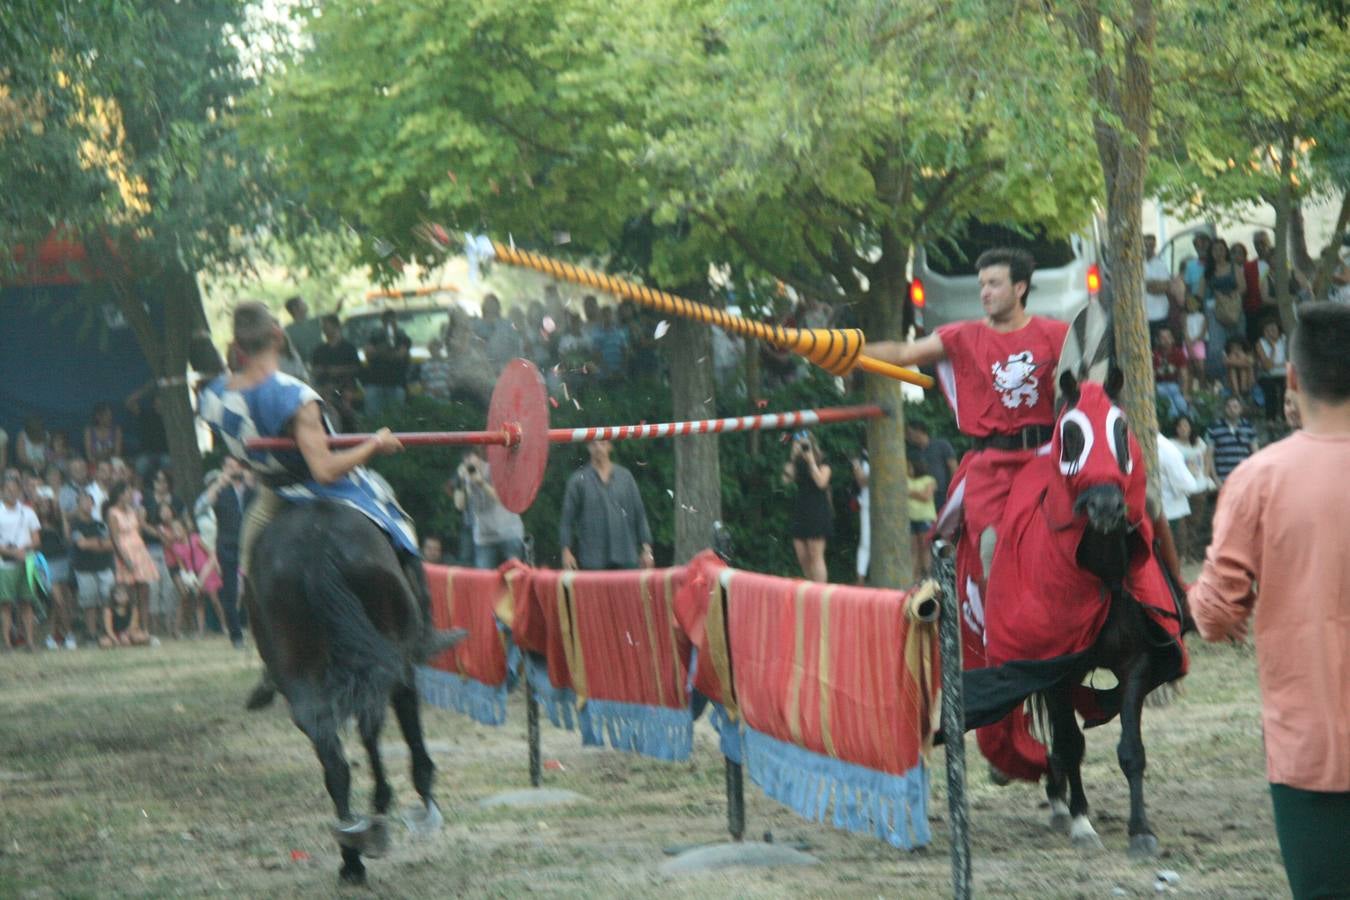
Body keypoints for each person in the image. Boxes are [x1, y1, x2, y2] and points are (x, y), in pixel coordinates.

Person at [869, 246, 1070, 784]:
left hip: (1047, 460)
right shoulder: (962, 337)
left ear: (1021, 288)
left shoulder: (1056, 336)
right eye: (981, 284)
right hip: (989, 468)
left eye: (995, 283)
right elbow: (905, 352)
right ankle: (1003, 671)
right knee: (985, 555)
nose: (985, 292)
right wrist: (850, 350)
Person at [1188, 303, 1350, 899]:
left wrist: (1188, 595)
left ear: (1292, 379)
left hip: (1308, 748)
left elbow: (1215, 613)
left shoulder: (1257, 479)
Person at [194, 302, 456, 665]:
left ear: (237, 344)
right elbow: (324, 471)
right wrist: (373, 444)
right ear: (278, 336)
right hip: (324, 488)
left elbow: (240, 447)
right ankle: (424, 630)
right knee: (401, 527)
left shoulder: (213, 395)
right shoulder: (294, 397)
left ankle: (270, 656)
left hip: (271, 491)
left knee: (252, 563)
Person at [559, 440, 654, 571]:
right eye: (594, 444)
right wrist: (566, 551)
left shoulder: (625, 477)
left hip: (626, 556)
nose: (598, 447)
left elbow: (640, 514)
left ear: (610, 446)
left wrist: (646, 549)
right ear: (588, 447)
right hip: (593, 559)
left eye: (602, 443)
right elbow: (567, 520)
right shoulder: (578, 480)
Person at [203, 455, 253, 648]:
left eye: (236, 465)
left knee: (253, 590)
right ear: (224, 468)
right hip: (228, 546)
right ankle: (236, 635)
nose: (234, 469)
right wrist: (219, 482)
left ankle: (257, 631)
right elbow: (204, 505)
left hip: (248, 545)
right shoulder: (220, 491)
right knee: (230, 593)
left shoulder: (250, 490)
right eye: (230, 466)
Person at [105, 482, 159, 644]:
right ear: (120, 495)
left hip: (139, 551)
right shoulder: (112, 513)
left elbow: (143, 527)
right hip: (125, 553)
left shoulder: (133, 511)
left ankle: (145, 628)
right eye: (128, 492)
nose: (131, 495)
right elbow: (115, 538)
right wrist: (125, 559)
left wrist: (160, 534)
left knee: (144, 591)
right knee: (129, 594)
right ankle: (129, 629)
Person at [455, 451, 526, 569]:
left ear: (479, 457)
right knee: (485, 579)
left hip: (509, 533)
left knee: (515, 576)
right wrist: (461, 482)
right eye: (465, 458)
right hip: (484, 538)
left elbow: (503, 499)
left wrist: (481, 483)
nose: (468, 461)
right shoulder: (466, 476)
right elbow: (459, 505)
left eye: (470, 456)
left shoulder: (494, 470)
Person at [782, 430, 833, 582]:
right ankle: (812, 590)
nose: (801, 447)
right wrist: (792, 458)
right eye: (798, 443)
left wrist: (811, 461)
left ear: (812, 444)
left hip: (817, 510)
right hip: (801, 509)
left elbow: (821, 482)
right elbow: (785, 480)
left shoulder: (823, 461)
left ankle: (820, 593)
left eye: (804, 444)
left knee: (816, 556)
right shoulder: (796, 462)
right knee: (803, 556)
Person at [164, 517, 225, 640]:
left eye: (178, 529)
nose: (176, 532)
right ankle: (201, 630)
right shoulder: (175, 547)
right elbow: (181, 565)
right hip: (194, 575)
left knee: (214, 599)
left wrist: (217, 567)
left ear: (185, 529)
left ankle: (225, 626)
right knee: (199, 602)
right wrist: (187, 579)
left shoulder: (195, 538)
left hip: (207, 572)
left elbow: (209, 552)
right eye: (174, 530)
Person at [0, 475, 41, 650]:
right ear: (2, 491)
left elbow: (37, 538)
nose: (12, 492)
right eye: (8, 489)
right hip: (4, 563)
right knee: (6, 604)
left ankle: (30, 641)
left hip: (26, 562)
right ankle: (7, 643)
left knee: (27, 602)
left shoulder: (28, 511)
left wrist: (24, 549)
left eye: (15, 489)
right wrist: (12, 552)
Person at [70, 490, 115, 643]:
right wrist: (99, 542)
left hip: (103, 567)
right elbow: (81, 544)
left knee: (108, 600)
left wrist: (92, 543)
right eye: (83, 501)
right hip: (84, 569)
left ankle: (108, 631)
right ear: (78, 505)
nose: (87, 504)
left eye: (89, 501)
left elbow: (110, 545)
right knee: (90, 603)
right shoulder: (75, 525)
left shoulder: (100, 524)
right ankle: (91, 633)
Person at [310, 314, 362, 432]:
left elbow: (356, 368)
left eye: (327, 326)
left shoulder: (349, 347)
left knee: (348, 412)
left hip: (346, 387)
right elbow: (314, 371)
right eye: (323, 327)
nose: (324, 329)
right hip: (325, 389)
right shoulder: (319, 350)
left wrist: (339, 370)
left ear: (336, 326)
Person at [362, 309, 412, 416]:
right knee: (373, 416)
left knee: (396, 416)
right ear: (383, 322)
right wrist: (386, 350)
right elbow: (368, 353)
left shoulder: (403, 338)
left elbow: (400, 355)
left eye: (392, 321)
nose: (390, 324)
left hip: (396, 383)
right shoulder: (374, 337)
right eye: (387, 321)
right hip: (375, 383)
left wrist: (380, 352)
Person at [905, 421, 958, 510]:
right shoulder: (911, 452)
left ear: (919, 431)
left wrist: (953, 489)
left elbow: (953, 467)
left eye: (909, 433)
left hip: (942, 494)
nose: (908, 437)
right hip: (921, 496)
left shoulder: (941, 445)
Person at [1206, 395, 1259, 484]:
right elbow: (1209, 455)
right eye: (1229, 407)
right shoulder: (1214, 428)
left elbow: (1255, 453)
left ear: (1240, 409)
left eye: (1235, 407)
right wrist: (1215, 479)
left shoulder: (1249, 427)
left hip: (1244, 478)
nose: (1232, 410)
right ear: (1225, 408)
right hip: (1223, 479)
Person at [906, 458, 937, 580]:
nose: (907, 470)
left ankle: (928, 575)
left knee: (924, 547)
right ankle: (915, 576)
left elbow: (926, 496)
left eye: (910, 467)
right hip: (910, 518)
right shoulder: (905, 479)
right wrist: (918, 493)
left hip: (925, 517)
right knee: (913, 548)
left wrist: (909, 492)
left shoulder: (929, 480)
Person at [1255, 317, 1289, 425]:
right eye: (1269, 330)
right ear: (1264, 332)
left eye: (1274, 329)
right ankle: (1271, 419)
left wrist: (1275, 364)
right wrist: (1273, 348)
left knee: (1286, 388)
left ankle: (1285, 418)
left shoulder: (1284, 340)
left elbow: (1289, 362)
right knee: (1270, 389)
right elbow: (1268, 367)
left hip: (1283, 374)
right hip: (1267, 375)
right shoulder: (1260, 343)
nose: (1272, 332)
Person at [1152, 327, 1190, 419]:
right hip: (1160, 386)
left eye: (1168, 337)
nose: (1166, 340)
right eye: (1163, 338)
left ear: (1172, 338)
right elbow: (1151, 376)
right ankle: (1174, 423)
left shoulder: (1179, 353)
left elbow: (1184, 375)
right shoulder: (1154, 354)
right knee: (1171, 407)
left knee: (1182, 404)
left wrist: (1185, 393)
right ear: (1158, 340)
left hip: (1175, 385)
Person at [1142, 234, 1173, 340]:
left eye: (1151, 245)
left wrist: (1147, 284)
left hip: (1161, 314)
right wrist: (1154, 284)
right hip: (1144, 316)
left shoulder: (1161, 264)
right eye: (1145, 244)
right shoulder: (1137, 265)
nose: (1148, 248)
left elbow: (1165, 287)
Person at [99, 583, 149, 648]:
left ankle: (131, 642)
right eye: (118, 595)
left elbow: (133, 625)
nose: (121, 597)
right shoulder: (108, 610)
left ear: (128, 595)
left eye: (123, 594)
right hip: (114, 633)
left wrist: (126, 635)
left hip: (129, 632)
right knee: (105, 643)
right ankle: (118, 643)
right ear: (113, 596)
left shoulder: (133, 608)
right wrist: (116, 640)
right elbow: (108, 629)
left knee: (142, 637)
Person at [283, 296, 324, 366]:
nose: (306, 304)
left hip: (324, 362)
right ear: (295, 308)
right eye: (303, 303)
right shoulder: (288, 331)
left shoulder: (316, 321)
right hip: (304, 368)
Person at [851, 450, 870, 586]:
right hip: (867, 505)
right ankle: (861, 579)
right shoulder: (863, 459)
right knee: (865, 542)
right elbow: (862, 482)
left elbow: (863, 479)